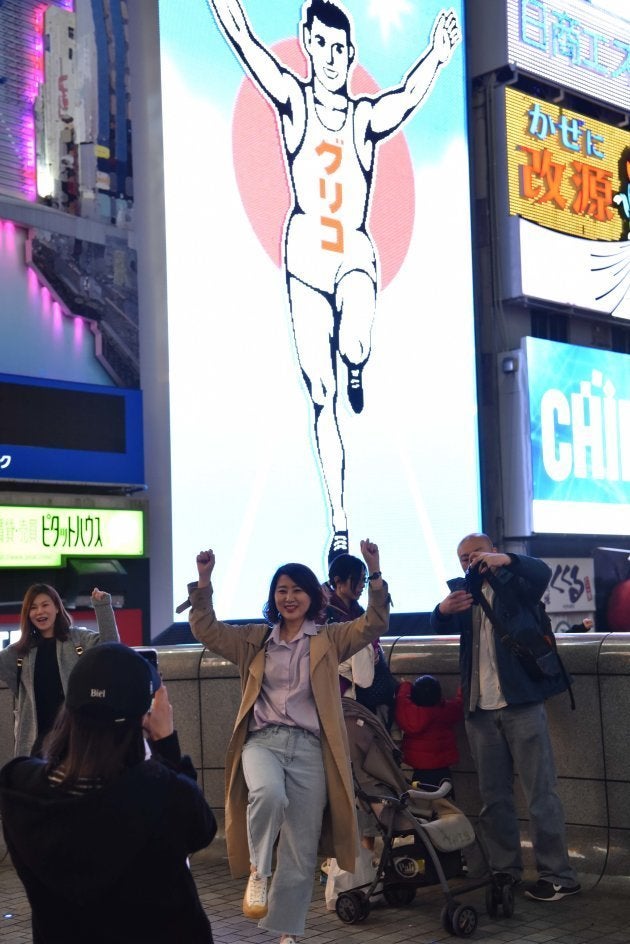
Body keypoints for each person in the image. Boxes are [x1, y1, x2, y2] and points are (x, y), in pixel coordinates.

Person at [208, 0, 461, 563]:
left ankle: (357, 364)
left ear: (351, 56)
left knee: (356, 342)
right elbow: (246, 43)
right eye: (319, 45)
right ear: (307, 41)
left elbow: (405, 99)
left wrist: (437, 57)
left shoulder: (362, 118)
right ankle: (340, 522)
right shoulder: (293, 102)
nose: (328, 57)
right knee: (321, 399)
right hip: (305, 264)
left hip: (352, 256)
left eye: (339, 49)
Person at [187, 539, 388, 944]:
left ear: (313, 596)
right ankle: (259, 871)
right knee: (268, 796)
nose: (289, 597)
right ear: (273, 597)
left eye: (297, 590)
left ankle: (286, 934)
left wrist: (375, 571)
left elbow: (375, 624)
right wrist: (204, 582)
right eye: (282, 590)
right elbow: (206, 629)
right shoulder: (255, 640)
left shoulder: (329, 638)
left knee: (300, 851)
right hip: (263, 742)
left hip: (312, 750)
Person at [0, 642, 217, 944]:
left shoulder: (18, 785)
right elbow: (198, 830)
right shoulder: (163, 794)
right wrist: (166, 743)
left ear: (69, 711)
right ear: (143, 717)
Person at [430, 532, 581, 902]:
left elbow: (543, 572)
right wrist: (441, 611)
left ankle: (558, 874)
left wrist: (507, 561)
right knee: (493, 798)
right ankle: (504, 870)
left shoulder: (517, 585)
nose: (469, 561)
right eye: (462, 557)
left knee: (541, 793)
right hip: (480, 710)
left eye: (476, 553)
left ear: (493, 551)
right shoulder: (463, 594)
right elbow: (437, 626)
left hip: (522, 703)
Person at [0, 583, 119, 756]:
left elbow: (112, 648)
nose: (39, 611)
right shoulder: (20, 652)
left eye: (45, 605)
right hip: (36, 746)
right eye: (33, 608)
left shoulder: (78, 639)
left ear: (56, 607)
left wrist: (102, 606)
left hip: (76, 742)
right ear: (28, 614)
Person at [395, 674, 463, 791]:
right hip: (443, 766)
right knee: (444, 797)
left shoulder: (413, 715)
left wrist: (405, 685)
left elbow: (402, 703)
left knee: (422, 798)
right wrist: (462, 687)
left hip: (420, 768)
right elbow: (460, 704)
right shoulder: (446, 710)